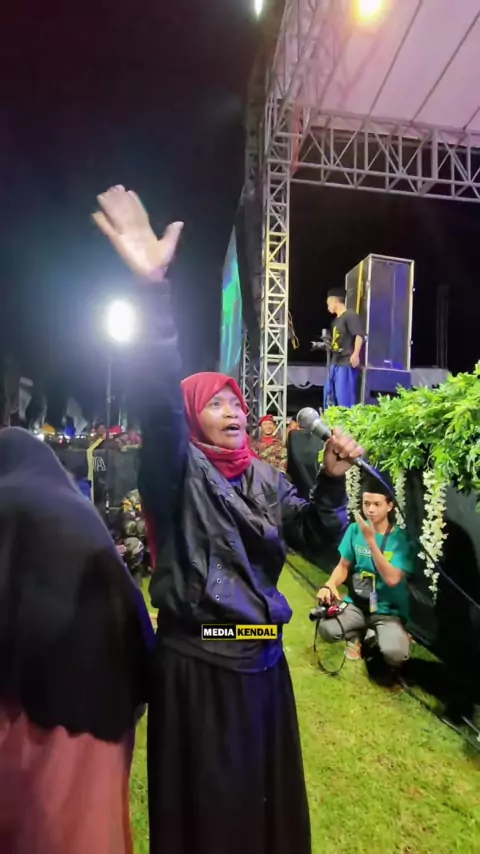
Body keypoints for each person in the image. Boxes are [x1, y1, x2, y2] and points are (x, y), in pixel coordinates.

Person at [93, 185, 365, 854]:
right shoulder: (176, 472)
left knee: (264, 824)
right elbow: (158, 401)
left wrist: (332, 479)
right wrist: (152, 294)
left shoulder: (266, 479)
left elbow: (314, 536)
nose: (234, 410)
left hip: (263, 666)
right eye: (216, 403)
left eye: (237, 402)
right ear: (193, 417)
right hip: (199, 668)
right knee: (209, 825)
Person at [0, 427, 153, 854]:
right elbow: (134, 616)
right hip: (105, 708)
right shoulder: (78, 511)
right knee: (88, 825)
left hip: (27, 714)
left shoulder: (6, 503)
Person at [316, 480, 416, 667]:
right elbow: (343, 566)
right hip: (358, 603)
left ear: (389, 506)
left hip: (387, 611)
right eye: (366, 503)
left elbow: (392, 579)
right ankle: (357, 635)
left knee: (396, 655)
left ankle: (380, 635)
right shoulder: (355, 530)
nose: (370, 509)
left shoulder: (401, 539)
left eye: (377, 504)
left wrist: (371, 541)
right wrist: (329, 585)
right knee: (326, 629)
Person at [324, 289, 364, 409]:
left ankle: (345, 419)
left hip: (345, 362)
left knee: (344, 396)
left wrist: (355, 354)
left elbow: (359, 335)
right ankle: (330, 419)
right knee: (329, 395)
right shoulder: (335, 321)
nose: (328, 307)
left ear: (335, 301)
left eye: (328, 303)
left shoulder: (350, 315)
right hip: (334, 362)